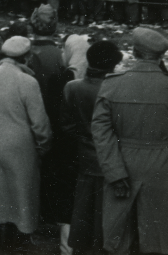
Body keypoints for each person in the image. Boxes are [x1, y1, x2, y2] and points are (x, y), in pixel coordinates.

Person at [92, 28, 168, 255]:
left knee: (119, 237)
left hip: (123, 163)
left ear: (134, 52)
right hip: (167, 166)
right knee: (164, 238)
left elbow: (101, 133)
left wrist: (114, 172)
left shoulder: (112, 84)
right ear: (160, 56)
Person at [0, 35, 52, 245]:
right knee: (21, 188)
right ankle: (20, 233)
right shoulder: (28, 82)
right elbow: (39, 123)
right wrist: (43, 146)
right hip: (20, 145)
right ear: (26, 57)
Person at [61, 40, 122, 255]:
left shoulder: (73, 87)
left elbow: (66, 125)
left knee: (84, 207)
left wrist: (84, 139)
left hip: (85, 156)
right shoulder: (116, 88)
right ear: (113, 63)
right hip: (113, 156)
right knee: (108, 209)